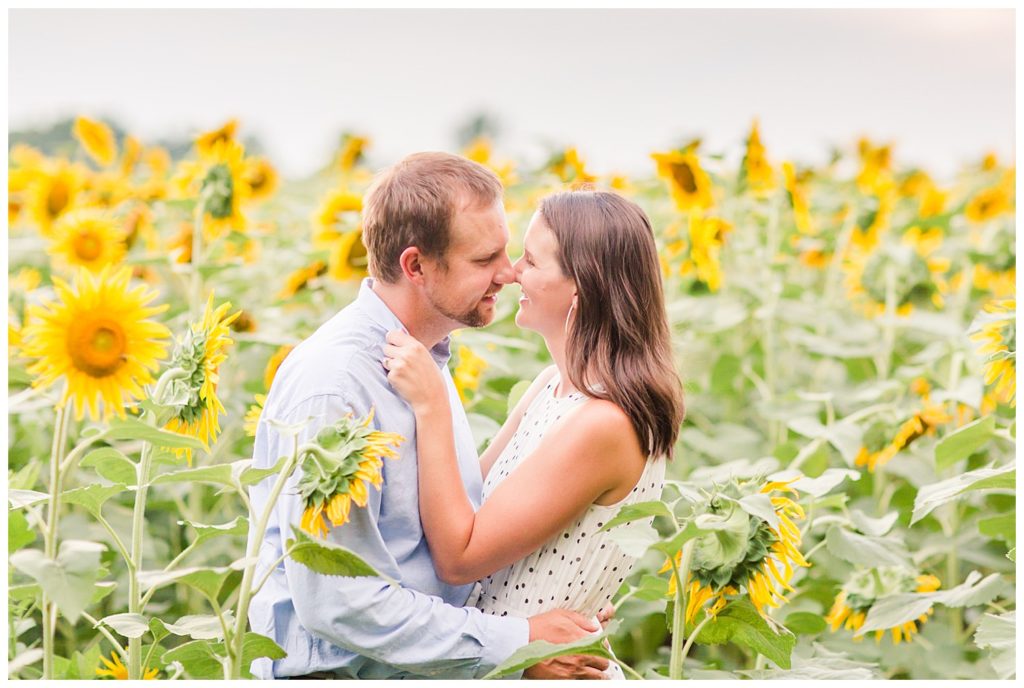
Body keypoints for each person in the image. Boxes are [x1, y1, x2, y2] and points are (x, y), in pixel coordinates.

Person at [246, 152, 613, 679]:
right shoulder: (338, 387)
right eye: (484, 259)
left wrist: (559, 612)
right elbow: (337, 603)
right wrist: (520, 640)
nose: (508, 274)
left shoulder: (422, 359)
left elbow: (452, 535)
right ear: (415, 266)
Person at [384, 190, 686, 678]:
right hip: (513, 661)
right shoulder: (551, 387)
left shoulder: (604, 422)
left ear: (579, 289)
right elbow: (465, 499)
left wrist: (432, 405)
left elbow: (460, 556)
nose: (511, 271)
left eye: (532, 259)